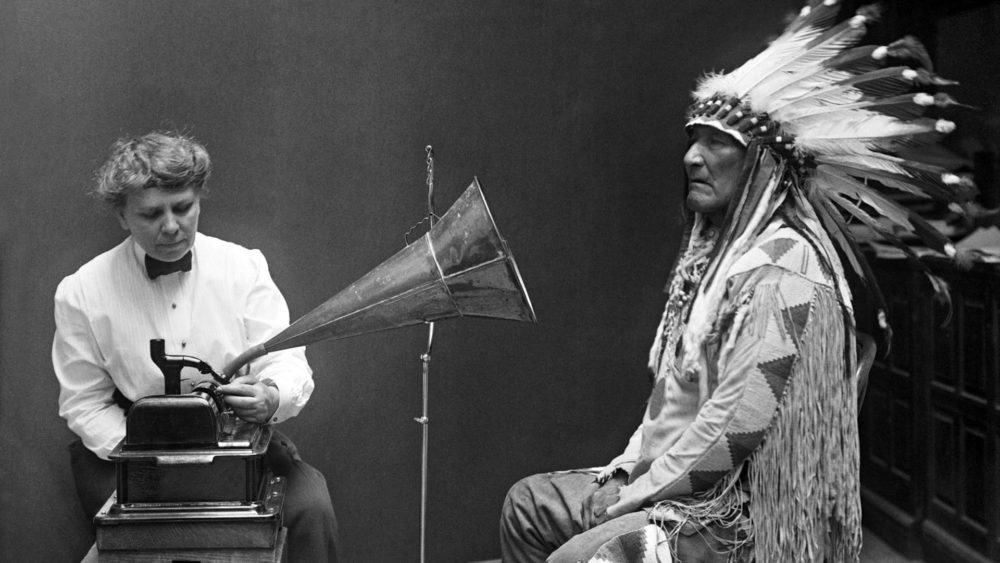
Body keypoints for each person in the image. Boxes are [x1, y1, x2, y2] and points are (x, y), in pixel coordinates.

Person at [500, 1, 976, 561]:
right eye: (692, 137)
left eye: (717, 142)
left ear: (765, 166)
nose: (692, 158)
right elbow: (675, 400)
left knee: (576, 558)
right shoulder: (724, 257)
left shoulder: (786, 270)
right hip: (678, 485)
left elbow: (736, 430)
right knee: (529, 504)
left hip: (741, 512)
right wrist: (630, 466)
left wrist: (633, 498)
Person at [53, 131, 340, 562]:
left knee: (310, 506)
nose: (171, 226)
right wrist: (150, 456)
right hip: (129, 456)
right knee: (149, 537)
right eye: (151, 214)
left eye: (183, 208)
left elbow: (286, 359)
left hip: (233, 443)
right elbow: (83, 403)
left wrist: (272, 396)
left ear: (199, 198)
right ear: (122, 216)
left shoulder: (244, 268)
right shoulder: (80, 292)